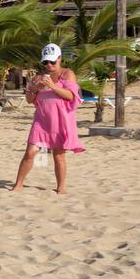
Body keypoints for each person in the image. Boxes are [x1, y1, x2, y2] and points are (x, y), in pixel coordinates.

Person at [11, 43, 84, 194]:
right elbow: (30, 100)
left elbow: (71, 96)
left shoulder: (67, 74)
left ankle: (61, 187)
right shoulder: (38, 77)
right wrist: (35, 89)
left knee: (59, 156)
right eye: (45, 62)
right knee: (30, 152)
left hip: (61, 120)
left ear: (59, 58)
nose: (49, 65)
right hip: (42, 120)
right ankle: (18, 184)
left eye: (52, 61)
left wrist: (53, 86)